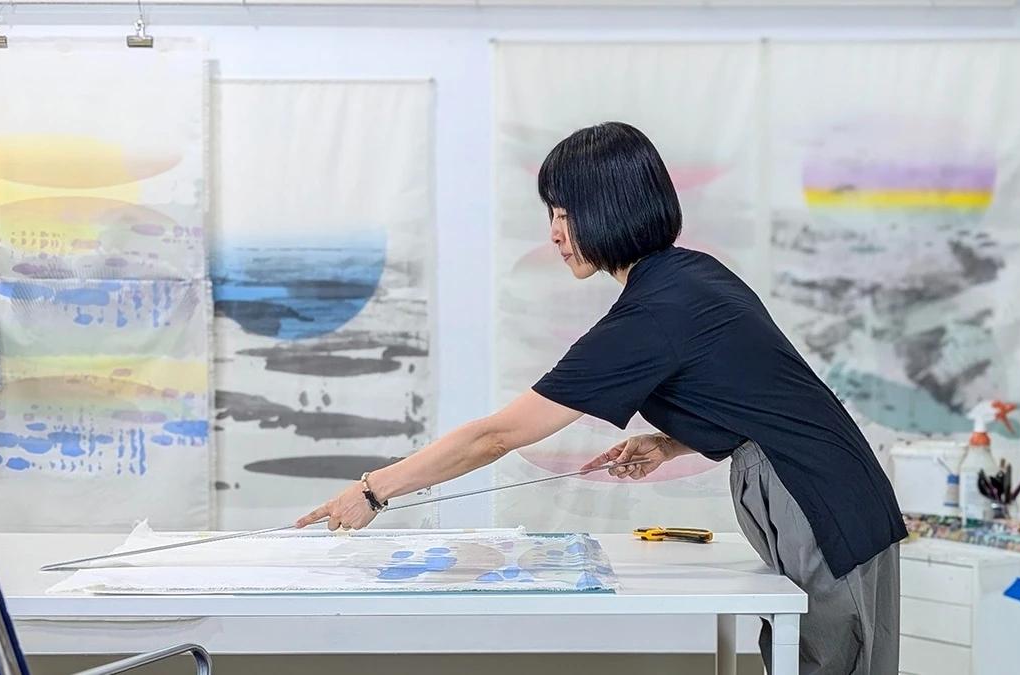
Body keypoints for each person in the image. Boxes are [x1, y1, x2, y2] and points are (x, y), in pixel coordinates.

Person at [296, 121, 907, 675]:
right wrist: (669, 444)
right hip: (822, 485)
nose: (556, 234)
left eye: (564, 212)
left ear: (611, 207)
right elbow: (758, 398)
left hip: (818, 499)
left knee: (832, 665)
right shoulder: (687, 278)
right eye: (551, 215)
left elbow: (498, 435)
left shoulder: (655, 312)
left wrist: (374, 490)